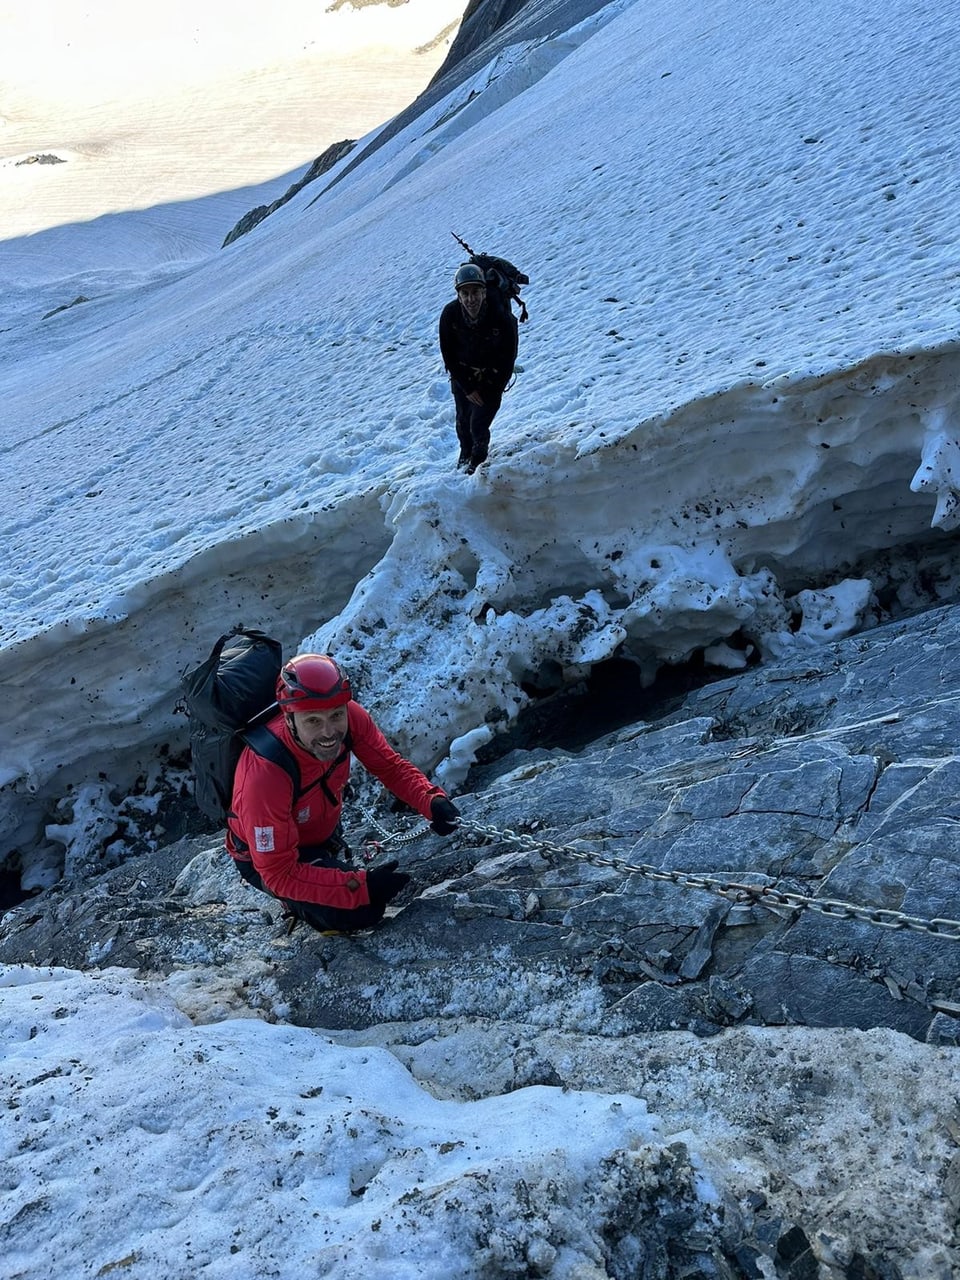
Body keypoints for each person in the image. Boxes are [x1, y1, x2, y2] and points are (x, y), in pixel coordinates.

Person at [226, 653, 461, 932]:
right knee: (362, 912)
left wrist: (431, 800)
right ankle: (295, 904)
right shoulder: (265, 774)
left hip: (316, 832)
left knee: (360, 901)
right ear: (288, 718)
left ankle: (323, 862)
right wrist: (361, 887)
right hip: (267, 861)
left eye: (336, 716)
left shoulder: (352, 718)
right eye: (313, 721)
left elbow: (389, 767)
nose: (328, 732)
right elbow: (278, 872)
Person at [439, 263, 518, 474]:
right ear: (458, 295)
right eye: (465, 293)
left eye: (475, 292)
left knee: (478, 425)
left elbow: (508, 359)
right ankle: (466, 455)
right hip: (463, 377)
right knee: (463, 424)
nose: (470, 299)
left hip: (492, 380)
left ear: (484, 292)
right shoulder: (450, 315)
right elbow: (448, 354)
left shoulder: (501, 316)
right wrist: (467, 387)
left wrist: (490, 388)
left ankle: (478, 464)